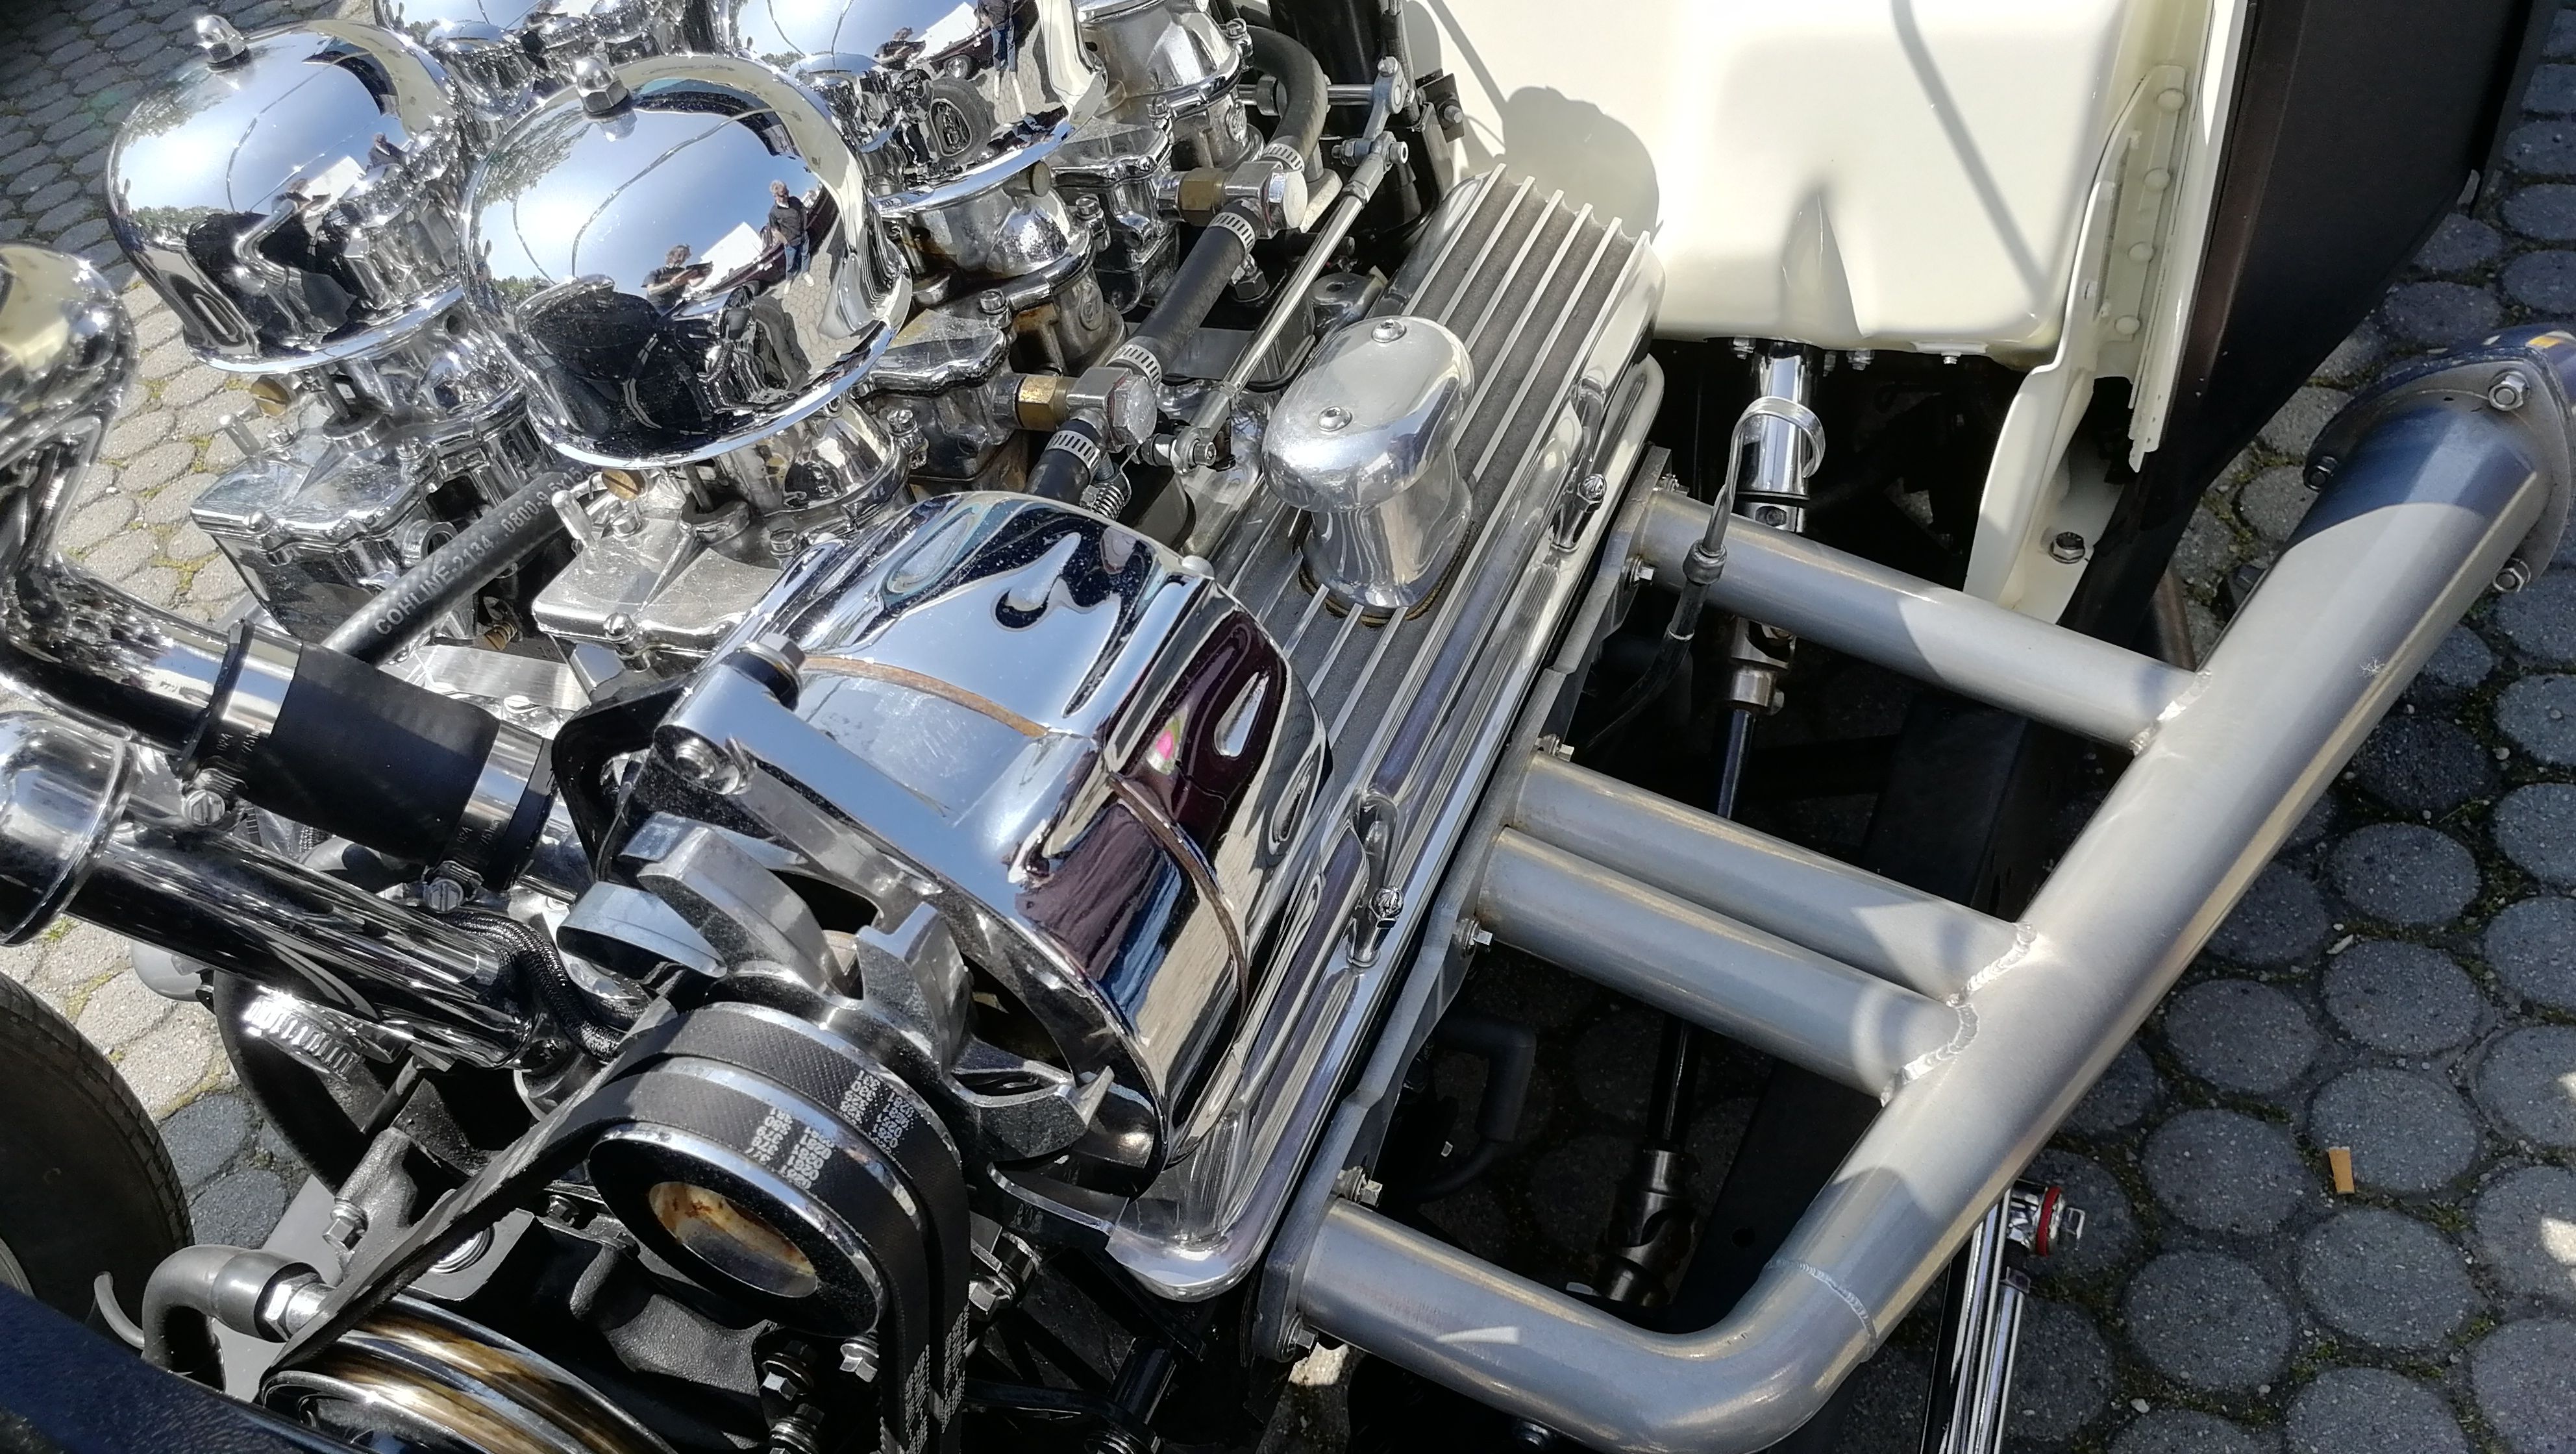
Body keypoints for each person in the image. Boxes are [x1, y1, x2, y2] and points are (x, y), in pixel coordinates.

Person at [643, 243, 709, 310]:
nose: (682, 259)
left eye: (685, 257)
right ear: (671, 255)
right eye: (679, 255)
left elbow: (693, 283)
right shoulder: (656, 273)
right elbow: (651, 291)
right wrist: (671, 284)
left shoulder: (683, 271)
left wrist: (705, 275)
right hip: (655, 308)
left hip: (672, 307)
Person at [767, 179, 810, 274]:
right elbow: (775, 231)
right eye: (783, 195)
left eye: (787, 192)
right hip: (791, 242)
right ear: (775, 196)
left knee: (805, 254)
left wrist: (804, 227)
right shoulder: (773, 213)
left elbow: (803, 210)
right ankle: (790, 278)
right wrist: (786, 242)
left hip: (803, 235)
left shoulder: (794, 200)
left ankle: (805, 272)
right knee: (791, 263)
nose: (787, 196)